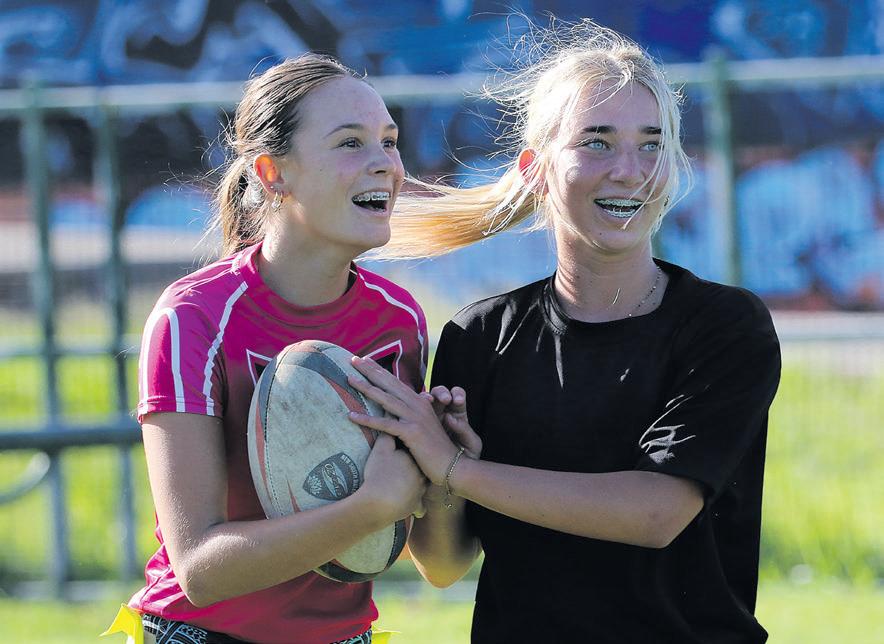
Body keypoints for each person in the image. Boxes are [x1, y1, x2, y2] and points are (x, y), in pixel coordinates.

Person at [346, 19, 782, 643]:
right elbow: (442, 565)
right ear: (536, 170)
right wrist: (442, 473)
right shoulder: (478, 335)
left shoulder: (726, 326)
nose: (629, 170)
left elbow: (656, 513)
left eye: (652, 144)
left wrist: (459, 471)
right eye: (597, 142)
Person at [126, 53, 428, 644]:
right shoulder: (193, 317)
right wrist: (367, 508)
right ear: (272, 173)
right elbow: (199, 571)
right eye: (350, 143)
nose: (384, 164)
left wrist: (444, 468)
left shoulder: (400, 321)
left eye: (389, 143)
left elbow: (419, 547)